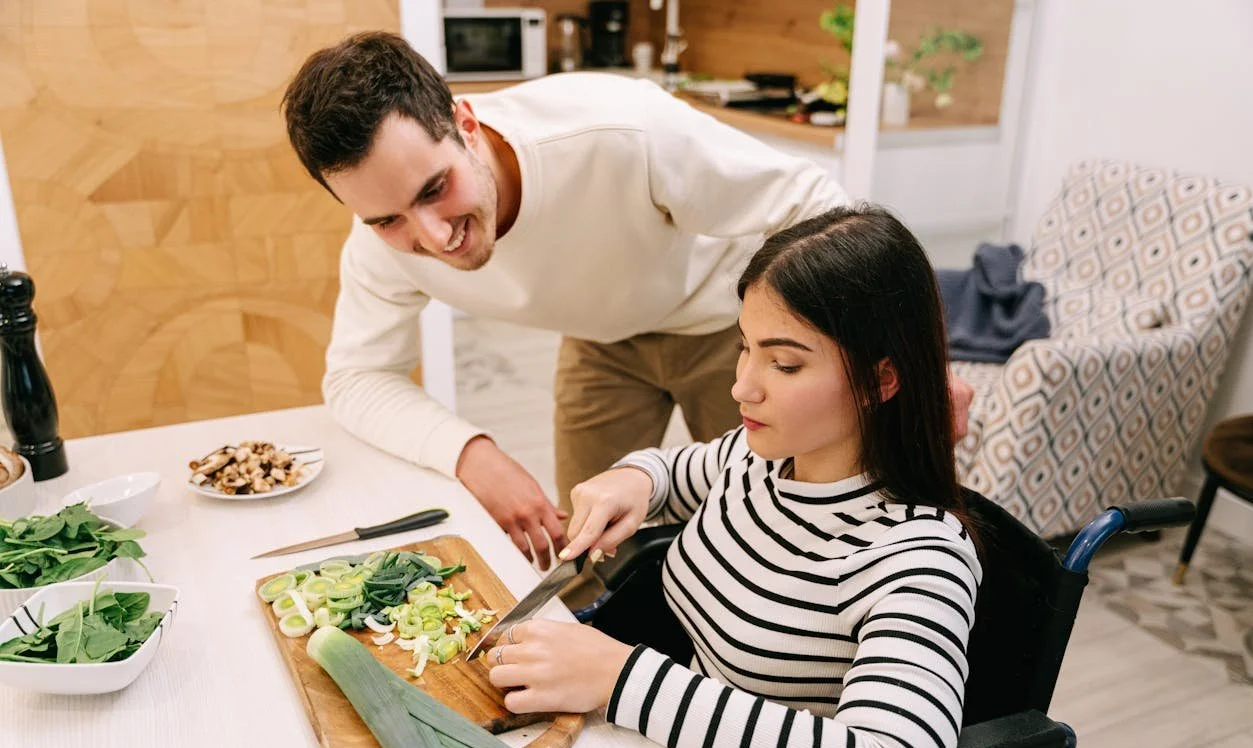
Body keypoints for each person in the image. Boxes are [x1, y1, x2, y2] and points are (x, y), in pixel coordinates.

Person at [281, 32, 974, 582]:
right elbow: (353, 378)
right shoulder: (380, 242)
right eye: (387, 219)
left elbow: (823, 210)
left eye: (436, 189)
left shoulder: (622, 131)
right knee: (587, 552)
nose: (431, 238)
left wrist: (917, 357)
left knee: (786, 535)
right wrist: (474, 454)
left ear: (466, 123)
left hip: (725, 330)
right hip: (601, 338)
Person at [483, 205, 982, 748]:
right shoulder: (758, 458)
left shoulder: (920, 558)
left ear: (881, 380)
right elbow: (671, 473)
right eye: (744, 347)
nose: (743, 387)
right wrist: (632, 482)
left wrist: (621, 677)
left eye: (786, 364)